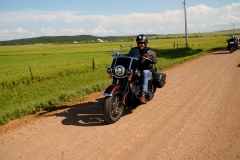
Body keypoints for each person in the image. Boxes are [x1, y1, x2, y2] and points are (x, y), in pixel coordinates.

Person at [126, 34, 157, 104]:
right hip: (137, 69)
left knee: (144, 72)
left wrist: (150, 58)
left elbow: (154, 59)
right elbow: (128, 56)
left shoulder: (150, 51)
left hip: (148, 70)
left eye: (142, 43)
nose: (141, 44)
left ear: (146, 43)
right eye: (139, 43)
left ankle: (143, 95)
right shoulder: (134, 50)